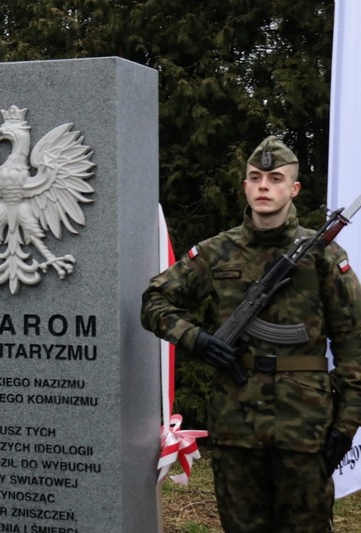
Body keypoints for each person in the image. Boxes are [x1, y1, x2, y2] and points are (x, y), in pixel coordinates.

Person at [141, 136, 361, 532]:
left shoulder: (325, 257)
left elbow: (353, 347)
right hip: (235, 425)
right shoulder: (217, 251)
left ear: (294, 188)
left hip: (304, 427)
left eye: (275, 179)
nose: (264, 186)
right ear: (244, 185)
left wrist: (345, 429)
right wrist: (196, 339)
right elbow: (155, 301)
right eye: (255, 177)